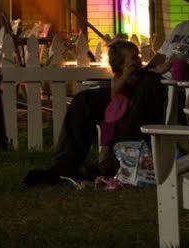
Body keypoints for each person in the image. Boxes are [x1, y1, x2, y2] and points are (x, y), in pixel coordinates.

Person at [24, 38, 170, 185]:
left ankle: (115, 162)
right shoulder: (181, 28)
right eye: (134, 57)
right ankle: (64, 166)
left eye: (138, 57)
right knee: (83, 100)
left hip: (158, 88)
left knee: (147, 86)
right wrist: (140, 71)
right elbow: (157, 59)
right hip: (124, 96)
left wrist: (158, 71)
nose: (138, 60)